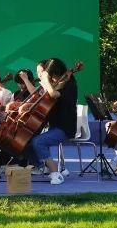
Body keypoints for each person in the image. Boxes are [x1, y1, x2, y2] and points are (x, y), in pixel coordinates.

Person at [21, 58, 78, 186]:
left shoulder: (69, 85)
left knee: (38, 142)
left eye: (51, 75)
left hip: (65, 127)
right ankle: (44, 166)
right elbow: (44, 102)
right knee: (24, 142)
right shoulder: (58, 84)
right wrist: (28, 106)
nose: (51, 79)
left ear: (56, 73)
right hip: (54, 126)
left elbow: (53, 95)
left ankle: (56, 174)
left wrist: (46, 80)